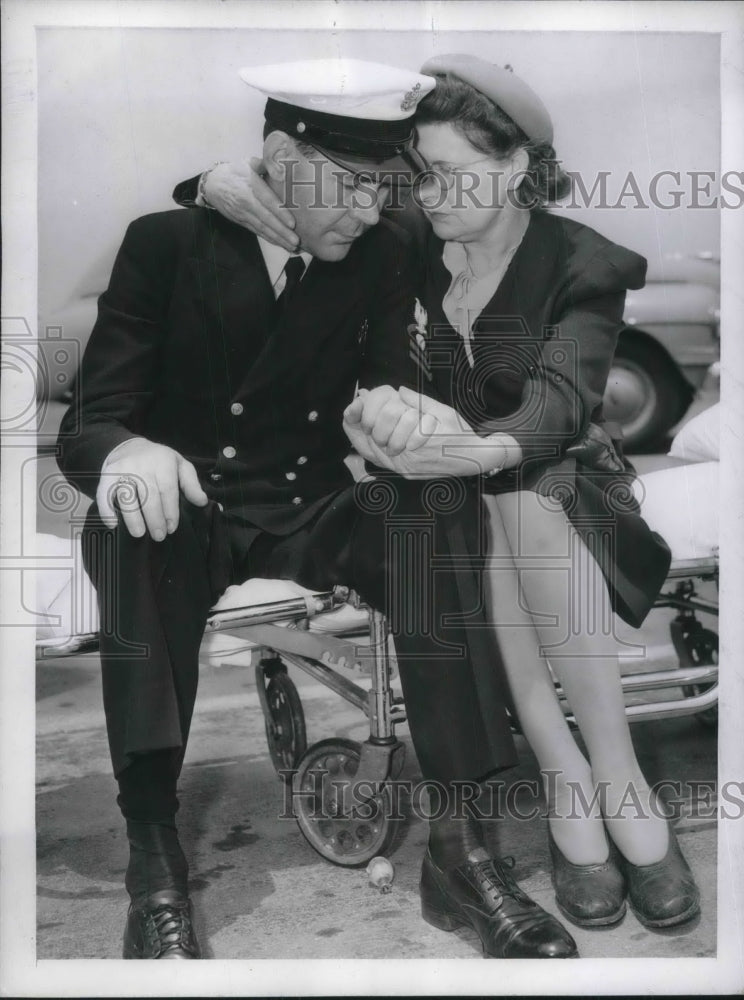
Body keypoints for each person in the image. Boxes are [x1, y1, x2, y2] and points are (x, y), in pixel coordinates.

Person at [57, 58, 578, 960]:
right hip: (197, 509)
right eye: (348, 185)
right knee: (128, 525)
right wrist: (125, 452)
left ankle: (457, 853)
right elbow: (91, 422)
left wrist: (398, 411)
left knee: (435, 506)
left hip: (312, 498)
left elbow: (393, 369)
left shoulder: (383, 245)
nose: (369, 211)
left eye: (385, 188)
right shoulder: (165, 247)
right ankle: (153, 858)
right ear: (277, 158)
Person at [182, 54, 701, 934]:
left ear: (518, 167)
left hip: (568, 490)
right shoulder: (413, 240)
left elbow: (560, 404)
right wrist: (214, 180)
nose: (426, 195)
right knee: (471, 517)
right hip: (454, 505)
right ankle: (563, 771)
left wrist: (477, 450)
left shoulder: (584, 264)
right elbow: (300, 197)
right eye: (416, 174)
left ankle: (613, 771)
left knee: (519, 491)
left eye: (451, 174)